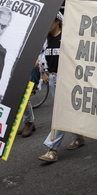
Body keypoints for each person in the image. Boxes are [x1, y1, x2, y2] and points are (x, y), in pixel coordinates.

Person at [38, 12, 85, 163]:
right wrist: (44, 73)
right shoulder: (47, 41)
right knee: (65, 111)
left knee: (60, 113)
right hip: (53, 79)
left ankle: (52, 149)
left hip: (66, 79)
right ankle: (78, 137)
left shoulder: (66, 37)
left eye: (50, 21)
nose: (47, 25)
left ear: (58, 21)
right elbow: (42, 59)